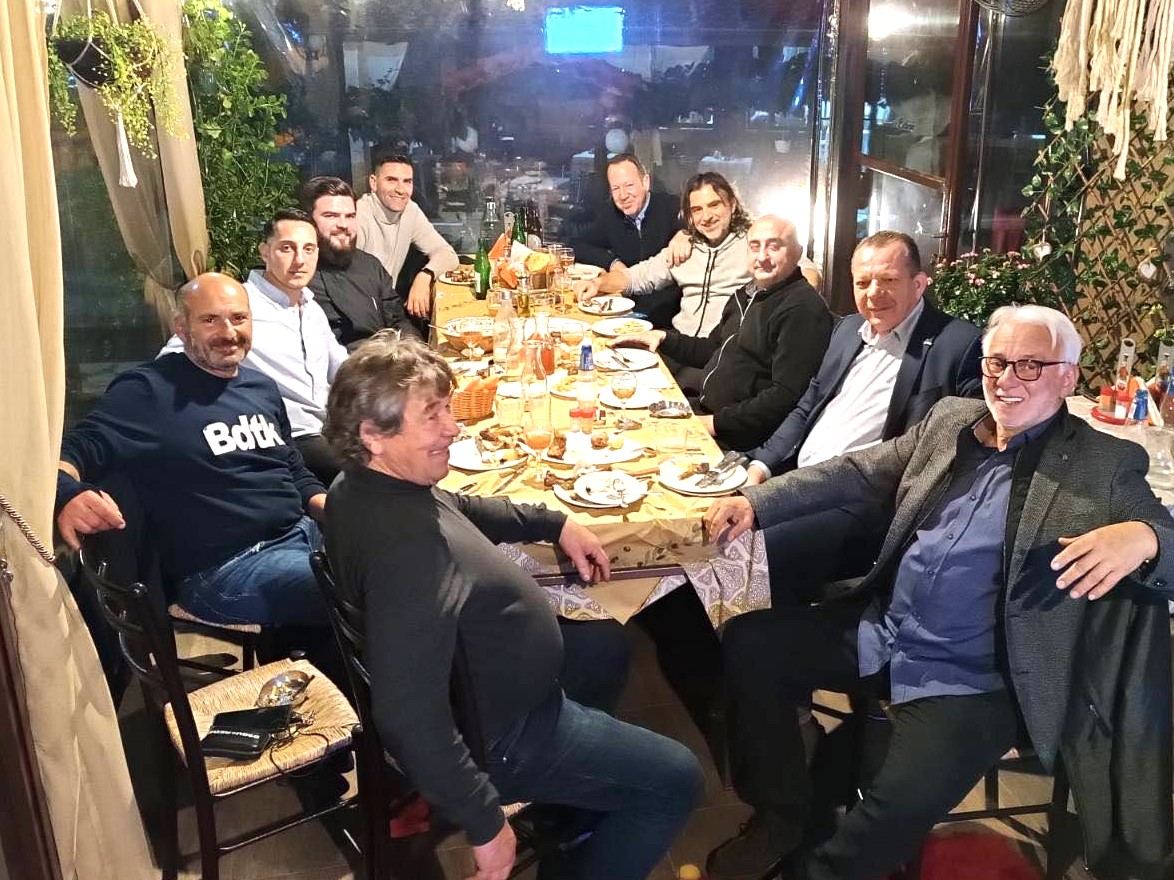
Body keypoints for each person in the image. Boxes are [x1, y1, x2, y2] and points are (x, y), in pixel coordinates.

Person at [703, 305, 1174, 880]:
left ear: (1067, 377)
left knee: (888, 814)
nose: (1007, 379)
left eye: (1030, 365)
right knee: (749, 642)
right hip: (884, 630)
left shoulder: (1103, 463)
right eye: (997, 362)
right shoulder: (952, 420)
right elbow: (859, 470)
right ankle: (784, 816)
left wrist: (1146, 536)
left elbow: (1167, 541)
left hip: (979, 677)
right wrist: (756, 502)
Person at [323, 336, 704, 880]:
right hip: (507, 737)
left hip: (496, 694)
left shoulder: (363, 485)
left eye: (449, 408)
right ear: (373, 435)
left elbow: (460, 505)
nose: (453, 427)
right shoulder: (407, 553)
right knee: (677, 779)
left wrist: (554, 522)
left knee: (606, 648)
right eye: (432, 415)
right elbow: (406, 712)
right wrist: (485, 824)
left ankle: (570, 813)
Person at [57, 273, 328, 627]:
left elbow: (293, 468)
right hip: (227, 570)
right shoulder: (147, 391)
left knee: (390, 557)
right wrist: (67, 493)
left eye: (238, 318)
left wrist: (337, 511)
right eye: (210, 320)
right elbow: (74, 449)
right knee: (354, 586)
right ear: (182, 328)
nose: (229, 332)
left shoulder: (262, 388)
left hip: (304, 535)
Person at [744, 230, 982, 601]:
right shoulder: (846, 330)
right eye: (863, 282)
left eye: (888, 280)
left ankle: (749, 627)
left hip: (864, 505)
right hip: (799, 479)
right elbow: (807, 405)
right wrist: (761, 466)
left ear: (919, 284)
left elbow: (970, 449)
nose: (873, 293)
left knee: (745, 553)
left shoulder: (959, 344)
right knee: (704, 526)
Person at [161, 208, 349, 484]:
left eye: (309, 249)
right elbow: (173, 356)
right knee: (372, 477)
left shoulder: (310, 307)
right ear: (265, 252)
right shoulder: (240, 305)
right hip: (285, 435)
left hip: (329, 427)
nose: (300, 260)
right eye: (287, 248)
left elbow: (344, 370)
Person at [615, 214, 832, 451]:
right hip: (706, 411)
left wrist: (711, 424)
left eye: (774, 246)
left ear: (798, 253)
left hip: (736, 439)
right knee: (621, 421)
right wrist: (662, 338)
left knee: (633, 447)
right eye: (755, 246)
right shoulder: (746, 295)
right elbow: (713, 349)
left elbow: (784, 396)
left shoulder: (802, 308)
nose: (762, 257)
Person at [580, 171, 753, 341]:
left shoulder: (753, 246)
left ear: (732, 205)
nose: (706, 216)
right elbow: (638, 277)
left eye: (714, 205)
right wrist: (597, 283)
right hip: (678, 343)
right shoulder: (685, 247)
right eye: (697, 210)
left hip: (721, 350)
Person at [301, 176, 419, 349]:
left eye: (350, 216)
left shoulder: (370, 265)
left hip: (388, 358)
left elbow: (399, 320)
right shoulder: (299, 276)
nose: (343, 224)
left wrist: (415, 351)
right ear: (308, 222)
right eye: (331, 216)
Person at [574, 153, 686, 330]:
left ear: (646, 182)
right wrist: (612, 262)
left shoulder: (671, 207)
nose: (623, 195)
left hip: (668, 319)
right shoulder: (611, 215)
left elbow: (701, 221)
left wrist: (685, 233)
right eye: (615, 189)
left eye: (629, 185)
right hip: (627, 311)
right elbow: (577, 245)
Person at [356, 149, 459, 325]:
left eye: (407, 181)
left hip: (388, 309)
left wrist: (425, 276)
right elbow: (349, 286)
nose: (400, 190)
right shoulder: (358, 216)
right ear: (373, 182)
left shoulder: (410, 210)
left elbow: (447, 254)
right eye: (391, 180)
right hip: (362, 315)